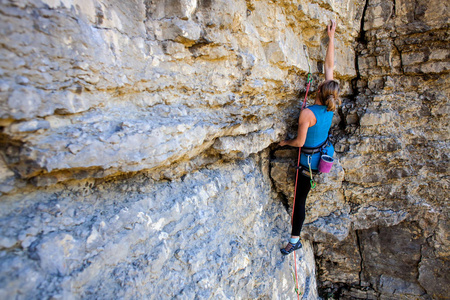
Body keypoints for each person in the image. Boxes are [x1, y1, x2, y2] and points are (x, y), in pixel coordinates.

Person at [279, 20, 341, 255]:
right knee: (301, 199)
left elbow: (300, 143)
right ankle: (295, 238)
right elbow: (330, 66)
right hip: (322, 155)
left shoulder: (307, 113)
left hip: (307, 163)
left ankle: (295, 240)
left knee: (299, 201)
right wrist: (331, 38)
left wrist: (286, 142)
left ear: (319, 90)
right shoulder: (330, 106)